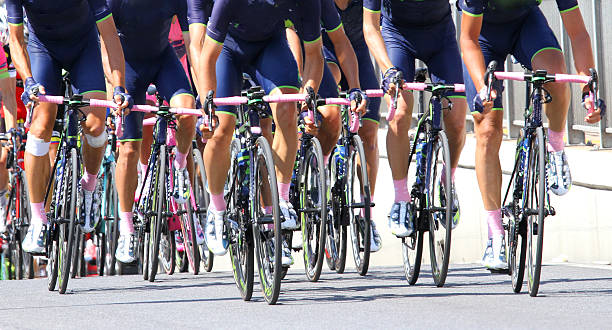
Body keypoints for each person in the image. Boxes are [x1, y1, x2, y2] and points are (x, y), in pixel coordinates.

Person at [458, 0, 606, 270]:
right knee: (488, 127)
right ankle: (495, 233)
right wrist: (482, 87)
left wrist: (588, 90)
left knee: (556, 79)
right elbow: (467, 38)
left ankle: (556, 148)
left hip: (526, 24)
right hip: (482, 36)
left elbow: (579, 34)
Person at [189, 0, 324, 266]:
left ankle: (280, 200)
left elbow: (315, 53)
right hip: (227, 49)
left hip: (270, 46)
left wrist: (309, 94)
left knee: (287, 110)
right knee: (221, 129)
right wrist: (207, 108)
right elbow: (207, 56)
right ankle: (216, 209)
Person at [8, 0, 130, 253]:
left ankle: (89, 185)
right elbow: (16, 40)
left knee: (96, 124)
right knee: (41, 125)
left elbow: (108, 35)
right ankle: (38, 217)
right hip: (43, 49)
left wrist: (118, 86)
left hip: (83, 49)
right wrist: (28, 80)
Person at [363, 0, 466, 238]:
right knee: (399, 113)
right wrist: (388, 70)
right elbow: (370, 27)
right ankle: (401, 198)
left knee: (457, 118)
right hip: (397, 35)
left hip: (441, 36)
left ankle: (446, 181)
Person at [107, 0, 198, 263]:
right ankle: (127, 228)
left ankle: (180, 168)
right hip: (127, 68)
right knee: (129, 149)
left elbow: (192, 44)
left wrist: (201, 90)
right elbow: (105, 44)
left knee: (187, 110)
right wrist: (116, 87)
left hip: (163, 60)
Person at [285, 0, 378, 252]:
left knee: (366, 130)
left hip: (352, 49)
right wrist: (299, 91)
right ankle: (292, 185)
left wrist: (357, 88)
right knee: (323, 107)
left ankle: (364, 214)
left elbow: (344, 42)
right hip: (308, 51)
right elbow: (292, 43)